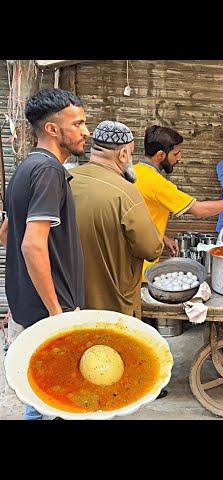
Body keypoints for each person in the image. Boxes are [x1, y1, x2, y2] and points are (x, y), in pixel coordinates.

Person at [0, 88, 89, 420]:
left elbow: (7, 234)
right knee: (52, 399)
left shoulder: (25, 168)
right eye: (78, 124)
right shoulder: (50, 171)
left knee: (42, 395)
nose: (85, 132)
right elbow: (31, 244)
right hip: (51, 308)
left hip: (29, 304)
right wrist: (57, 311)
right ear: (53, 129)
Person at [70, 121, 164, 318]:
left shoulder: (64, 180)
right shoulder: (126, 193)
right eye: (130, 153)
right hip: (114, 308)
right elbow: (152, 249)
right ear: (122, 154)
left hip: (69, 304)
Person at [134, 125, 223, 274]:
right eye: (176, 153)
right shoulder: (157, 184)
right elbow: (199, 210)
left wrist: (162, 237)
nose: (180, 158)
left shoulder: (134, 172)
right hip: (141, 266)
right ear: (160, 155)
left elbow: (139, 218)